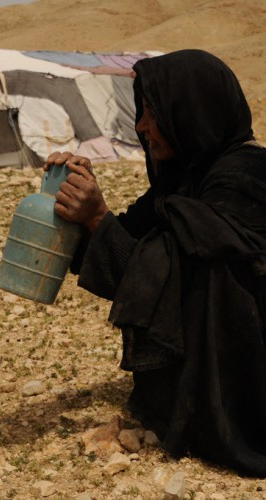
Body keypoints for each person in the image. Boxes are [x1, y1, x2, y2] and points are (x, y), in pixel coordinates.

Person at [44, 49, 266, 476]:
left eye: (152, 113)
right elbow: (130, 246)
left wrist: (98, 218)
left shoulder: (246, 177)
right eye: (141, 112)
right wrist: (78, 199)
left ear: (191, 112)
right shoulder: (183, 179)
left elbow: (172, 271)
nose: (142, 127)